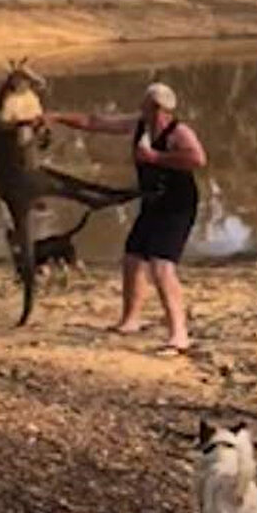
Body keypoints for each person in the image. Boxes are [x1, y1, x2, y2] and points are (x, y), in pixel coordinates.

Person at [45, 83, 207, 353]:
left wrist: (155, 157)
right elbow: (94, 122)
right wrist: (57, 117)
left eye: (145, 103)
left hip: (177, 206)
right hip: (152, 201)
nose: (140, 106)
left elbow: (198, 159)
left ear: (157, 108)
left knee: (161, 267)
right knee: (132, 258)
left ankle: (179, 335)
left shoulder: (178, 132)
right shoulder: (139, 124)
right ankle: (130, 320)